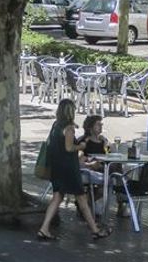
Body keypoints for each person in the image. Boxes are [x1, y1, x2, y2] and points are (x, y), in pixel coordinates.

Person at [37, 99, 111, 241]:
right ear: (70, 111)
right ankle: (95, 230)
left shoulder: (56, 125)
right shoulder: (69, 128)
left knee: (57, 197)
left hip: (57, 167)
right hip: (69, 168)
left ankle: (44, 228)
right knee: (81, 198)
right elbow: (69, 148)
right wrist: (81, 146)